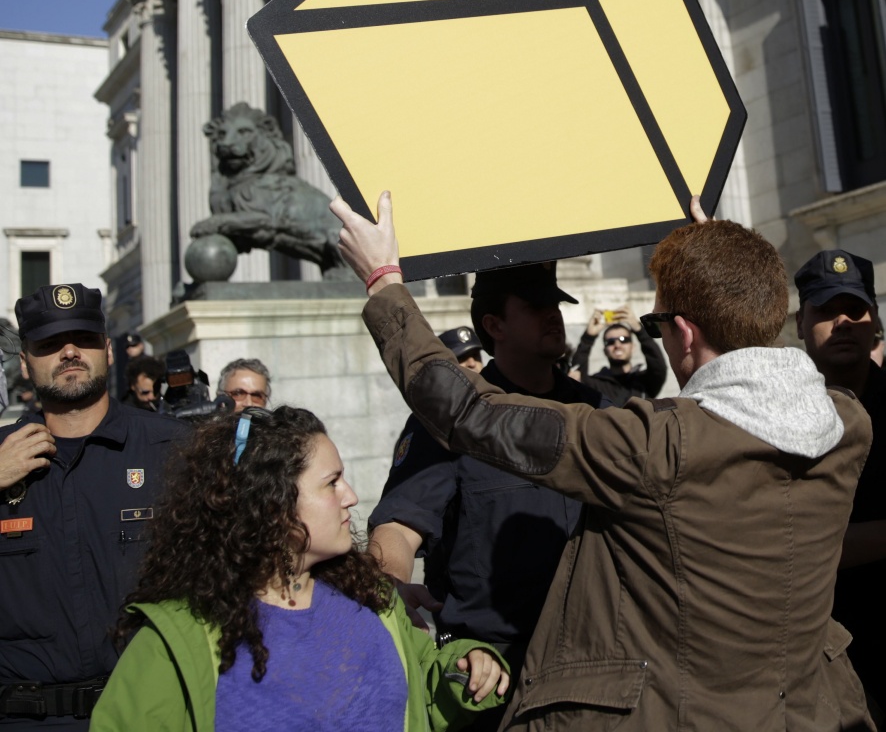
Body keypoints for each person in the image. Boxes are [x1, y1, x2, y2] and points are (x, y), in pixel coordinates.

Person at [331, 191, 873, 730]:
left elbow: (468, 409)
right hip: (804, 712)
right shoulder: (848, 423)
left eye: (658, 325)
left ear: (683, 332)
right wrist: (724, 276)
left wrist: (384, 282)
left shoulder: (651, 442)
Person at [91, 405, 509, 732]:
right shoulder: (176, 638)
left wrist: (465, 667)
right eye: (332, 482)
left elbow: (424, 692)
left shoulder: (375, 603)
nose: (351, 495)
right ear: (274, 505)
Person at [368, 261, 613, 721]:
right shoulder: (447, 422)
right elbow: (400, 525)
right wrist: (388, 587)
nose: (553, 315)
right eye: (536, 306)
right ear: (493, 325)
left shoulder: (600, 410)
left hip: (596, 664)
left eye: (555, 304)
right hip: (493, 673)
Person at [0, 283, 187, 729]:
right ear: (25, 364)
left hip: (149, 712)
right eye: (49, 345)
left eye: (83, 339)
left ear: (105, 349)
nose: (69, 352)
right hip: (26, 719)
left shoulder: (175, 449)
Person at [795, 249, 886, 724]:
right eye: (826, 311)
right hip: (815, 653)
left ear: (876, 322)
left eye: (855, 309)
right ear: (799, 324)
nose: (843, 322)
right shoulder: (774, 420)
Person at [569, 306, 666, 404]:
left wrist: (639, 329)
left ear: (633, 346)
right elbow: (576, 375)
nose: (617, 345)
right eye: (610, 342)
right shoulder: (596, 384)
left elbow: (659, 366)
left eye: (624, 339)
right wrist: (588, 337)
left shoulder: (645, 382)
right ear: (605, 350)